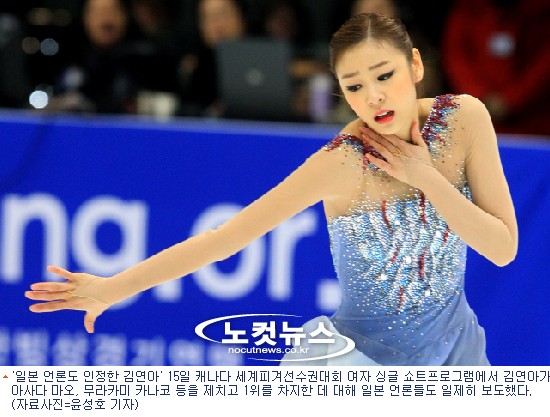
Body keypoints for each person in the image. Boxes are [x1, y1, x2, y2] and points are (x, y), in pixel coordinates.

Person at [25, 13, 518, 366]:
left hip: (458, 356)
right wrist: (110, 289)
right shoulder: (341, 162)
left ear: (415, 66)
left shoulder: (464, 120)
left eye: (384, 75)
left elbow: (502, 249)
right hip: (359, 368)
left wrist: (426, 177)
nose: (374, 96)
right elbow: (222, 240)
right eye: (354, 86)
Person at [441, 0, 550, 136]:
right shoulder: (467, 9)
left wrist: (510, 100)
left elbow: (543, 66)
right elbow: (456, 57)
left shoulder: (542, 12)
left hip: (534, 124)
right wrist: (478, 97)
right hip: (474, 121)